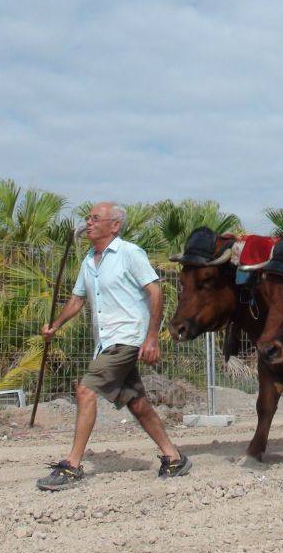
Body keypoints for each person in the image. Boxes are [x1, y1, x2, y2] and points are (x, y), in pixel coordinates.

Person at [36, 202, 190, 490]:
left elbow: (155, 291)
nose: (89, 223)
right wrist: (55, 325)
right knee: (137, 403)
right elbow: (77, 299)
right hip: (105, 343)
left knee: (85, 390)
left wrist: (152, 337)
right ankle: (174, 457)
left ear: (115, 225)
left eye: (96, 219)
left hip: (127, 338)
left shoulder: (129, 253)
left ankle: (72, 465)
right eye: (88, 219)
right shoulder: (88, 261)